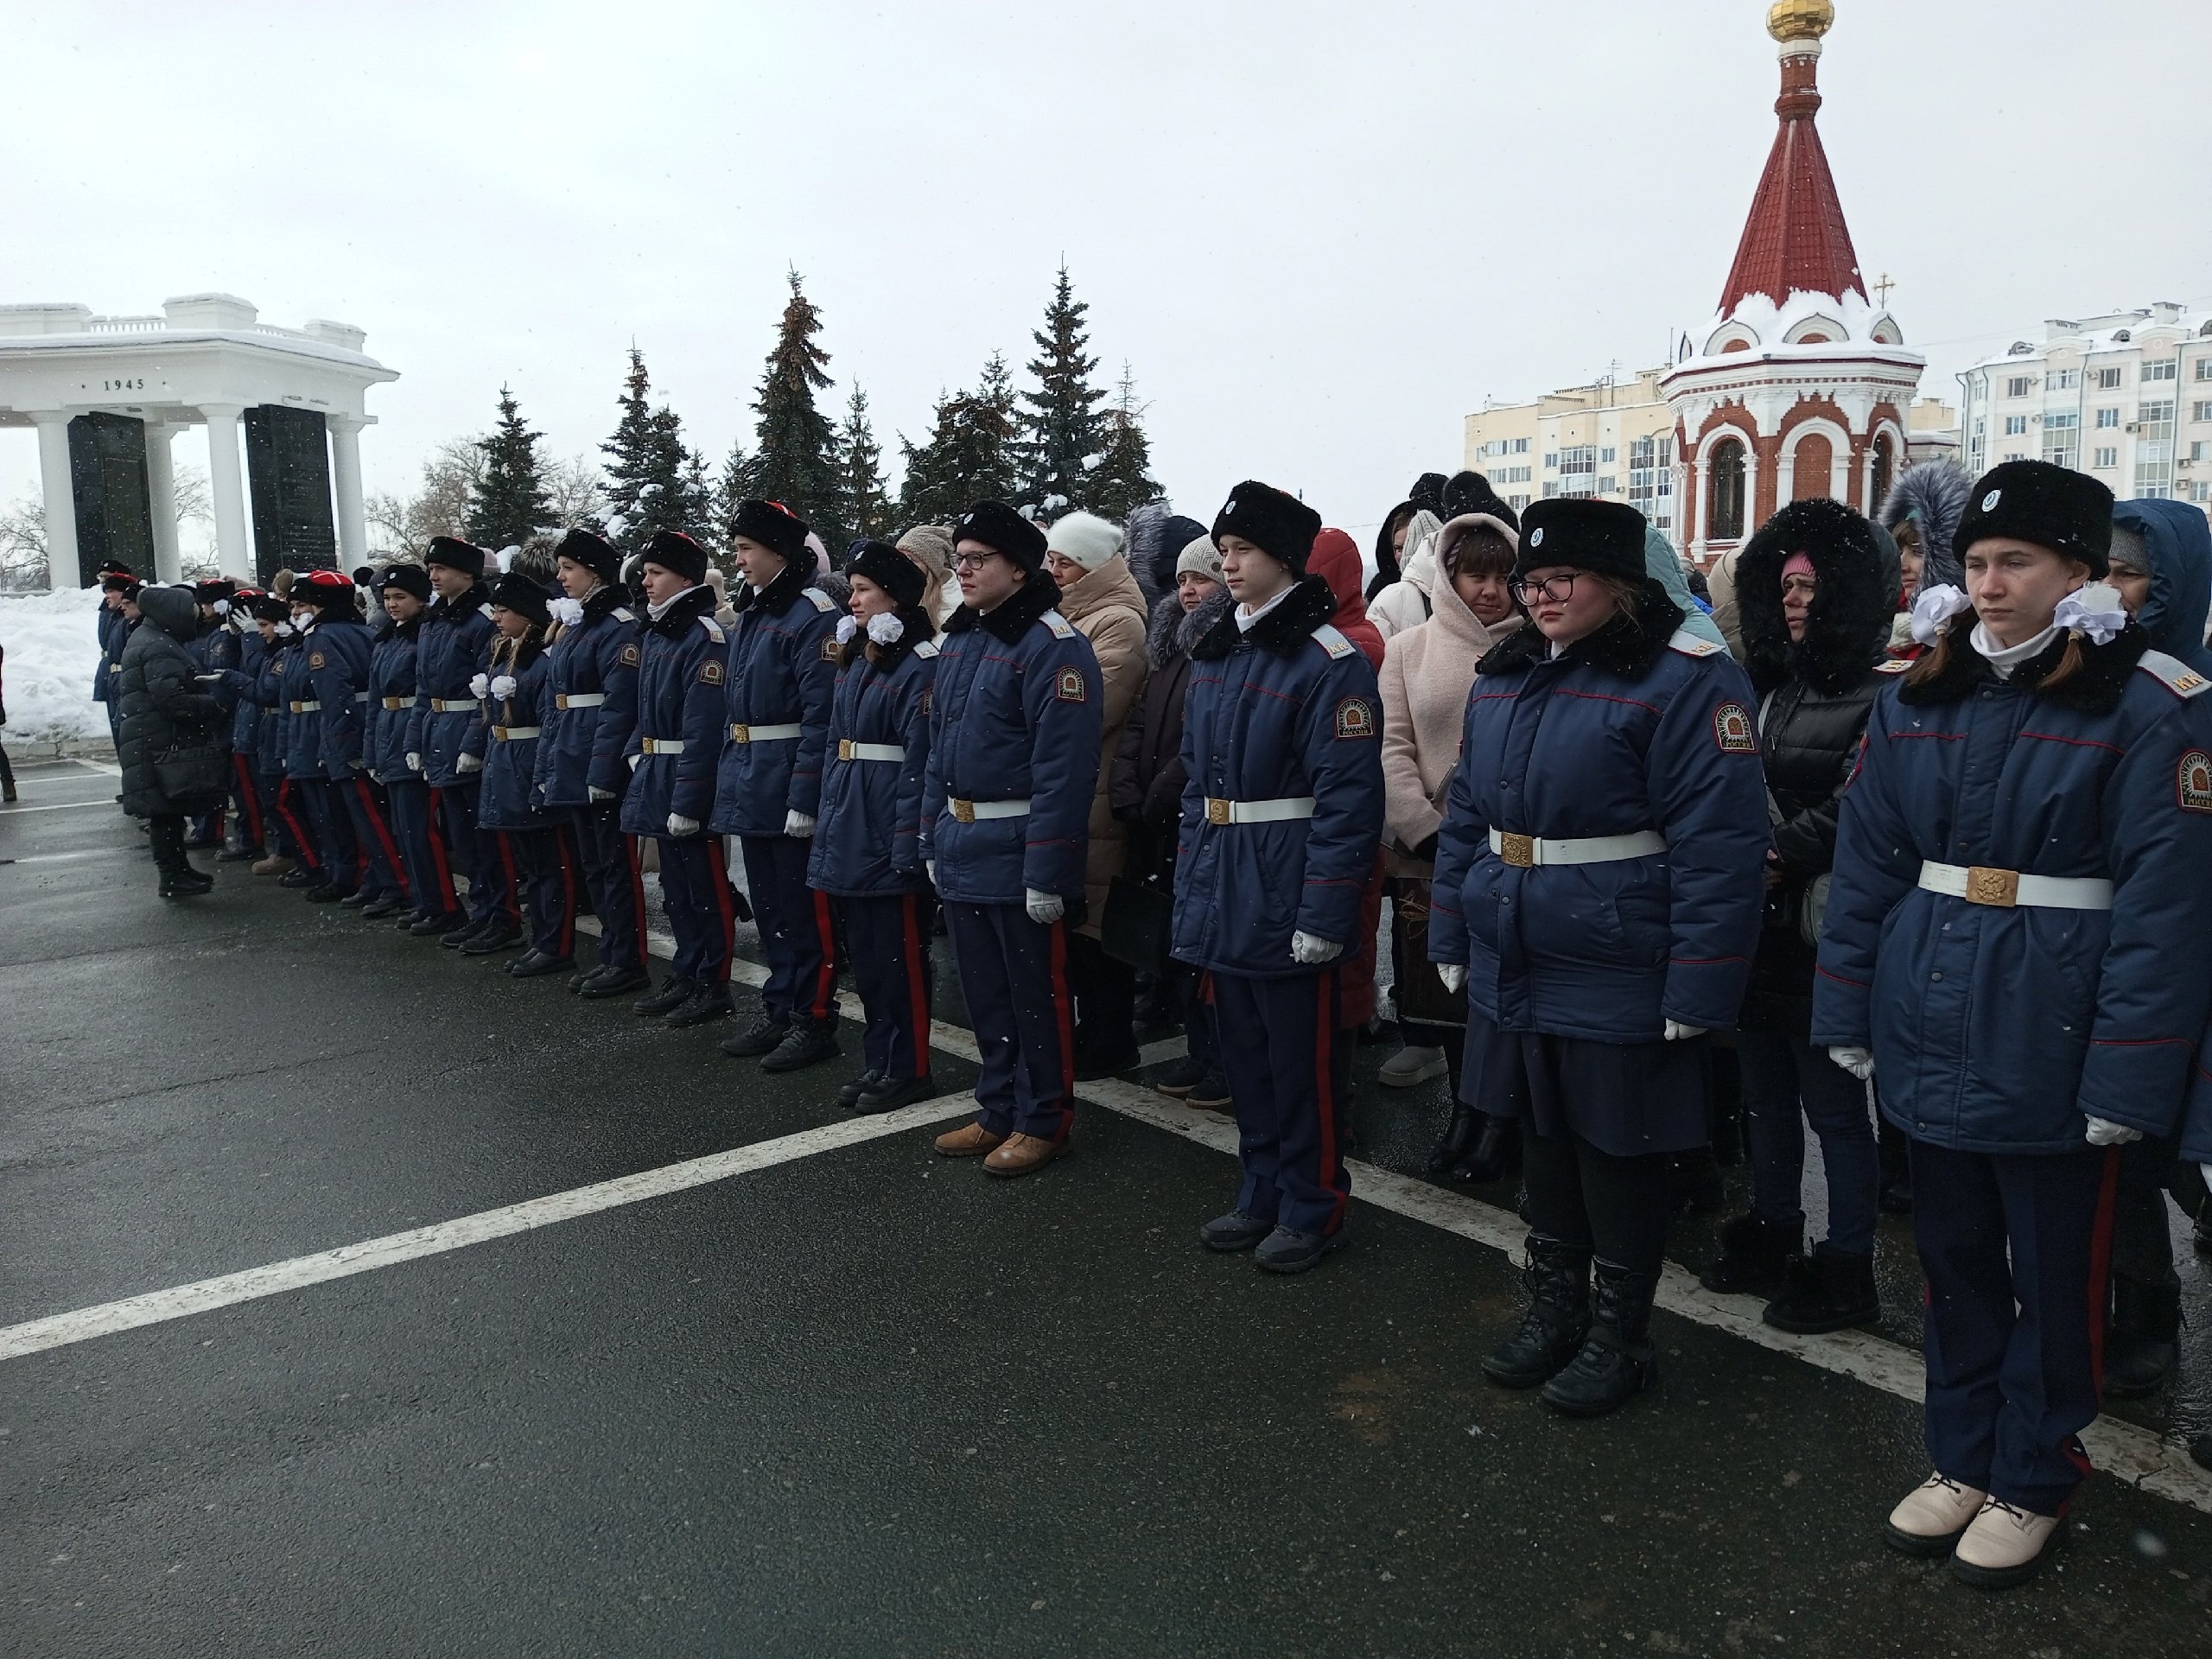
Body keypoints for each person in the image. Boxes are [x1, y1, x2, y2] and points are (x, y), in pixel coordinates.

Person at [1815, 460, 2212, 1587]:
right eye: (1977, 563)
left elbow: (2165, 913)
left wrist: (2128, 1083)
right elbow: (1870, 865)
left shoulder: (2150, 707)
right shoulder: (1921, 693)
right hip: (1931, 1014)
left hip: (2058, 1032)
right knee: (1953, 1267)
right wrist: (1848, 1006)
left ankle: (2034, 1471)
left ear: (2079, 573)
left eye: (2016, 563)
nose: (1989, 585)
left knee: (2052, 1277)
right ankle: (1962, 1452)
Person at [1429, 498, 1767, 1415]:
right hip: (1517, 947)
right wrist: (1451, 931)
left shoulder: (1687, 679)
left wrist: (1699, 983)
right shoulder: (1504, 676)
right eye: (1528, 581)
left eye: (1559, 579)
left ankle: (1621, 1334)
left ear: (1617, 584)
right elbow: (1468, 818)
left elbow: (1719, 846)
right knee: (1540, 1143)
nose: (1536, 597)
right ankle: (1554, 1311)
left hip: (1619, 953)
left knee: (1618, 1154)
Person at [1696, 499, 1900, 1332]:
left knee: (1835, 1108)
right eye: (1783, 585)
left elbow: (1868, 803)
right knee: (1764, 1092)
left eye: (1812, 585)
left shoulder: (1885, 692)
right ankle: (1774, 1225)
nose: (1793, 600)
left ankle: (1848, 1260)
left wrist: (1776, 853)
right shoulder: (1768, 684)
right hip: (1760, 923)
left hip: (1822, 930)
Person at [1172, 482, 1383, 1272]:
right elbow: (1199, 786)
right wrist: (1194, 884)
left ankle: (1314, 1201)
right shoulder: (1220, 652)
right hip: (1228, 879)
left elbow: (1348, 801)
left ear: (1286, 562)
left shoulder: (1328, 661)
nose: (1226, 565)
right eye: (1223, 551)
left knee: (1302, 1063)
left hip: (1286, 879)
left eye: (1242, 552)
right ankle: (1260, 1186)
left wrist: (1323, 914)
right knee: (1248, 1058)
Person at [921, 499, 1102, 1177]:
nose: (963, 570)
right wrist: (931, 838)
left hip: (1020, 844)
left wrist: (1048, 872)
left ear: (1020, 569)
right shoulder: (964, 639)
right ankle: (998, 1106)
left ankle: (1044, 1117)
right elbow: (938, 750)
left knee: (1036, 992)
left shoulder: (1054, 647)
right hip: (964, 840)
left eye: (978, 560)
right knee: (984, 991)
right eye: (959, 559)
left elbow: (1065, 772)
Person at [2089, 497, 2212, 1398]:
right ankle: (2143, 1304)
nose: (2110, 592)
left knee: (2179, 1147)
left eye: (2129, 573)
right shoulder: (2086, 687)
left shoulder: (2195, 696)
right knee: (2120, 1151)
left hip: (2192, 957)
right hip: (2112, 952)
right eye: (2100, 571)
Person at [1378, 508, 1525, 1175]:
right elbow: (1392, 744)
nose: (1489, 591)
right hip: (1432, 844)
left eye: (1501, 576)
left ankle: (1498, 1117)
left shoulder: (1537, 647)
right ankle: (1466, 1111)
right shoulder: (1411, 647)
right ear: (1449, 575)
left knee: (1502, 989)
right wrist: (1420, 824)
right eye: (1475, 575)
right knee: (1443, 989)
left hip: (1510, 848)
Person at [709, 499, 844, 1069]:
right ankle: (782, 1005)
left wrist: (803, 795)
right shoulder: (760, 611)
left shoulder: (812, 614)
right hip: (752, 774)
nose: (737, 561)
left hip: (786, 774)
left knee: (800, 909)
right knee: (768, 907)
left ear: (780, 553)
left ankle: (814, 1019)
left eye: (746, 550)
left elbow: (821, 714)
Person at [810, 540, 943, 1112]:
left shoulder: (920, 664)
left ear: (897, 595)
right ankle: (880, 1059)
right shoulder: (859, 659)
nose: (854, 599)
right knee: (867, 959)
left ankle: (909, 1065)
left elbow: (920, 760)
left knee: (899, 959)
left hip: (886, 823)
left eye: (864, 589)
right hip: (852, 820)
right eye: (854, 588)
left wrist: (909, 841)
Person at [1114, 533, 1233, 1105]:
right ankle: (1199, 1050)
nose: (1189, 590)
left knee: (1206, 947)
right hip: (1155, 817)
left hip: (1183, 813)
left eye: (1202, 578)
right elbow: (1139, 721)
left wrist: (1158, 797)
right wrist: (1128, 788)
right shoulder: (1170, 646)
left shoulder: (1219, 646)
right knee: (1176, 945)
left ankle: (1220, 1059)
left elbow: (1198, 744)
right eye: (1183, 579)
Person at [1044, 511, 1151, 1079]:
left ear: (1091, 565)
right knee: (1075, 923)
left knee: (1097, 930)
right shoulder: (1067, 616)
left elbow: (1093, 705)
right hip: (1075, 786)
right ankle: (1093, 1031)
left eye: (1065, 561)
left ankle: (1111, 1036)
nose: (1055, 571)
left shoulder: (1118, 622)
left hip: (1099, 789)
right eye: (1053, 560)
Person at [623, 529, 736, 1027]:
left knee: (704, 887)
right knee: (676, 885)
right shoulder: (658, 632)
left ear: (686, 578)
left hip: (687, 775)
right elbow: (641, 709)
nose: (645, 582)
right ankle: (688, 969)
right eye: (645, 573)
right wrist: (634, 755)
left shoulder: (702, 638)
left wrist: (690, 800)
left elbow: (704, 728)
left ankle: (713, 981)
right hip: (658, 769)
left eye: (656, 573)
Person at [535, 528, 649, 998]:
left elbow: (619, 706)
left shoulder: (618, 626)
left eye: (568, 568)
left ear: (595, 571)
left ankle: (627, 957)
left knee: (613, 863)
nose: (560, 577)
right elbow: (555, 704)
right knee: (594, 864)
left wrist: (603, 771)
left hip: (596, 762)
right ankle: (611, 951)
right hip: (572, 755)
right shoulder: (577, 625)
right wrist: (548, 767)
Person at [410, 537, 521, 950]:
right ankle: (483, 911)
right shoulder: (437, 619)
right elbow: (424, 687)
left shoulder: (480, 620)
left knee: (486, 836)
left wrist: (475, 743)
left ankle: (503, 916)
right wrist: (416, 739)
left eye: (440, 569)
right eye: (431, 569)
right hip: (439, 731)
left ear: (467, 574)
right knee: (462, 836)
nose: (433, 577)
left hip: (466, 731)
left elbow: (488, 688)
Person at [475, 571, 579, 977]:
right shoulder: (506, 653)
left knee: (549, 863)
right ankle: (542, 938)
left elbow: (549, 719)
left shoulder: (543, 658)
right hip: (507, 759)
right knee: (531, 865)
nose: (497, 618)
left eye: (505, 611)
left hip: (529, 758)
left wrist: (542, 773)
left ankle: (557, 943)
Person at [295, 569, 410, 917]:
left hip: (351, 733)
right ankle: (378, 878)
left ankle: (396, 884)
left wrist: (346, 744)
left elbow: (335, 694)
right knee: (374, 816)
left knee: (369, 819)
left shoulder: (322, 636)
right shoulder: (364, 630)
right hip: (373, 727)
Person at [116, 584, 226, 898]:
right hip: (157, 740)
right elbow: (172, 700)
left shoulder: (152, 638)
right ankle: (172, 875)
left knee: (168, 811)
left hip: (149, 738)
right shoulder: (158, 645)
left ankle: (177, 869)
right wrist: (212, 703)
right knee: (165, 812)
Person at [366, 563, 457, 931]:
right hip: (390, 730)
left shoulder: (424, 636)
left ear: (421, 599)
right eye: (387, 598)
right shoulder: (388, 639)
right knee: (403, 828)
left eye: (400, 597)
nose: (391, 604)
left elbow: (423, 692)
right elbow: (375, 700)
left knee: (421, 830)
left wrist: (416, 741)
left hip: (412, 729)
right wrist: (372, 750)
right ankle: (423, 900)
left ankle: (443, 905)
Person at [1878, 461, 1973, 657]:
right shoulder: (1878, 621)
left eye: (1918, 552)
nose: (1902, 566)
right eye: (1897, 552)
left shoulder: (1964, 635)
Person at [212, 588, 269, 863]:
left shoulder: (255, 639)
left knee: (255, 791)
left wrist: (250, 636)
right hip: (240, 722)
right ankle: (252, 836)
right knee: (245, 788)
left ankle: (254, 838)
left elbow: (254, 673)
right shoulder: (234, 638)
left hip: (252, 722)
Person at [182, 578, 238, 849]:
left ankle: (212, 829)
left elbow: (217, 676)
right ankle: (206, 827)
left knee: (218, 778)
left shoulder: (222, 634)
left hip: (216, 712)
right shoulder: (203, 631)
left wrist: (214, 709)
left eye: (207, 602)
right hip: (204, 706)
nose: (203, 608)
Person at [1365, 506, 1445, 640]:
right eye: (1398, 548)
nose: (1401, 555)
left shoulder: (1464, 590)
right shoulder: (1386, 598)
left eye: (1410, 543)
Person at [94, 563, 137, 752]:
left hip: (124, 675)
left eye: (107, 578)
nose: (103, 584)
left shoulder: (127, 616)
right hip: (110, 670)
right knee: (118, 730)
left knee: (128, 735)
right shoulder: (107, 611)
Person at [895, 524, 957, 627]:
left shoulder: (952, 612)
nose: (903, 566)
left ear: (931, 567)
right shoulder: (895, 603)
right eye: (899, 558)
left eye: (911, 560)